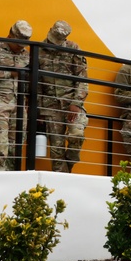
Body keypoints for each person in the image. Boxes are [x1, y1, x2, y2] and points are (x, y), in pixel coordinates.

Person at [0, 20, 33, 171]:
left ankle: (11, 185)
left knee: (16, 147)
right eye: (18, 43)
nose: (20, 47)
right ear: (10, 35)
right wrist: (9, 72)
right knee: (0, 144)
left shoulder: (27, 55)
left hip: (19, 102)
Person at [38, 20, 88, 173]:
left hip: (71, 102)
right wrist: (38, 109)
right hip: (50, 106)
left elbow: (82, 79)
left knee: (77, 135)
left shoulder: (74, 49)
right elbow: (36, 83)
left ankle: (69, 167)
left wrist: (76, 103)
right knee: (56, 150)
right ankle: (62, 181)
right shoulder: (39, 50)